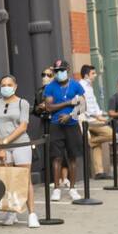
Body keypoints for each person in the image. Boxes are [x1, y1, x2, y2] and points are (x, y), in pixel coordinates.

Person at [0, 74, 39, 227]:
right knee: (7, 179)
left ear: (15, 86)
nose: (5, 87)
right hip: (1, 147)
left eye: (9, 85)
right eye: (3, 85)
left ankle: (32, 214)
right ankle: (12, 212)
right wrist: (0, 147)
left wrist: (5, 142)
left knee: (24, 178)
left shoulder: (22, 103)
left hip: (20, 144)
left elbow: (23, 126)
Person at [41, 58, 84, 200]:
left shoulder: (76, 86)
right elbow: (49, 107)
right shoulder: (50, 87)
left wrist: (70, 115)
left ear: (67, 71)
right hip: (56, 125)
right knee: (57, 158)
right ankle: (57, 188)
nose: (59, 73)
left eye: (62, 70)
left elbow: (83, 106)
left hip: (72, 125)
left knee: (72, 158)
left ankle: (72, 188)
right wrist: (68, 102)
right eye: (57, 71)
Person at [78, 65, 113, 180]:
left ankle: (99, 172)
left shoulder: (89, 86)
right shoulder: (81, 86)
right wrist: (98, 116)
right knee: (111, 134)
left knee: (97, 146)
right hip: (89, 120)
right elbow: (84, 106)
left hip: (94, 118)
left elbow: (93, 103)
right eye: (93, 73)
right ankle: (89, 142)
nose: (95, 75)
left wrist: (100, 113)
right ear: (86, 75)